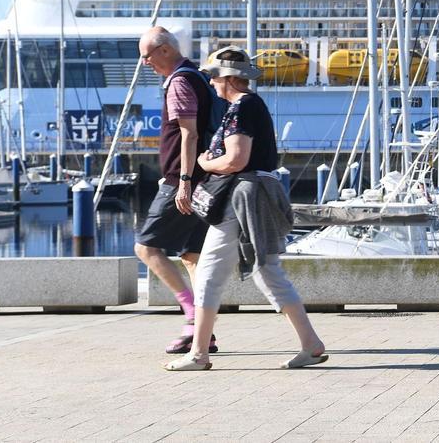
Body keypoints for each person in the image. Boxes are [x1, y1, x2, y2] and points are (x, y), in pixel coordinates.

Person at [163, 47, 326, 370]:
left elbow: (237, 159)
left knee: (209, 273)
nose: (210, 83)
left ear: (227, 78)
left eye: (212, 77)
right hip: (253, 194)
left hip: (241, 197)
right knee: (267, 271)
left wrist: (205, 161)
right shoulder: (249, 105)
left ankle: (198, 354)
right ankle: (311, 343)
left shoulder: (242, 107)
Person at [133, 26, 216, 355]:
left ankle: (193, 316)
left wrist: (182, 181)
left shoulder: (180, 81)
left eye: (147, 56)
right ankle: (203, 333)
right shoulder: (195, 73)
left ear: (165, 50)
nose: (145, 63)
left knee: (146, 249)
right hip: (203, 180)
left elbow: (189, 134)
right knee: (192, 257)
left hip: (184, 181)